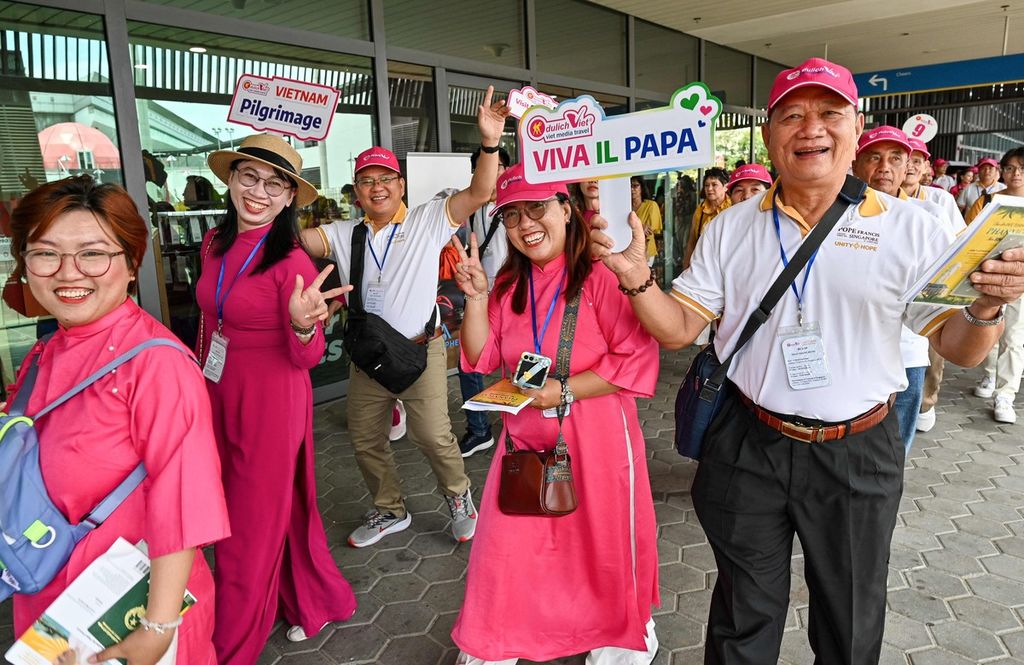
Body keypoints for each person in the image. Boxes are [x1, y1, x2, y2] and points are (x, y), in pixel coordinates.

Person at [591, 56, 1024, 665]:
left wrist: (984, 306)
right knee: (743, 615)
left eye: (829, 114)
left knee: (849, 622)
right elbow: (680, 328)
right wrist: (639, 281)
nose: (810, 128)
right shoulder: (732, 227)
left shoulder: (911, 229)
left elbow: (956, 346)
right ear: (769, 136)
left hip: (857, 452)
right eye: (791, 115)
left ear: (855, 128)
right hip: (748, 442)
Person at [7, 176, 230, 664]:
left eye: (92, 253)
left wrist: (156, 630)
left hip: (129, 609)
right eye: (45, 253)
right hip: (51, 593)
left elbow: (183, 502)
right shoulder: (47, 349)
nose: (69, 273)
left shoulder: (155, 364)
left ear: (131, 265)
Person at [449, 164, 660, 664]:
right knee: (506, 550)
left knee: (600, 544)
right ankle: (494, 639)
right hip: (523, 440)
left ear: (566, 210)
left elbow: (635, 360)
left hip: (599, 440)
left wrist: (561, 391)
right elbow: (480, 358)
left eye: (537, 209)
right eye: (513, 216)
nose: (526, 225)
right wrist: (476, 299)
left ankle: (615, 638)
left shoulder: (604, 274)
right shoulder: (507, 285)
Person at [302, 87, 509, 548]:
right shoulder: (342, 232)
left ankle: (458, 496)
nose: (377, 188)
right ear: (356, 192)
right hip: (369, 355)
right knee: (364, 439)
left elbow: (480, 190)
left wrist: (490, 142)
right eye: (366, 181)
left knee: (433, 436)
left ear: (399, 185)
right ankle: (389, 508)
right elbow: (300, 244)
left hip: (420, 350)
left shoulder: (427, 220)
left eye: (385, 179)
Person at [198, 133, 356, 662]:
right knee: (269, 512)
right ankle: (313, 598)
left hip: (270, 402)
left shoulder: (292, 262)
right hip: (218, 391)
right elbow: (209, 318)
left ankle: (228, 646)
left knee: (243, 528)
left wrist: (304, 326)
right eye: (249, 177)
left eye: (275, 184)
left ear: (291, 197)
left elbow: (307, 359)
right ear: (231, 179)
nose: (259, 192)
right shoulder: (213, 244)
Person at [850, 125, 960, 452]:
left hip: (908, 353)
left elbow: (949, 278)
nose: (884, 166)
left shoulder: (930, 216)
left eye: (895, 158)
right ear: (855, 164)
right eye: (873, 157)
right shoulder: (836, 214)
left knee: (894, 450)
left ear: (910, 165)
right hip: (853, 352)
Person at [457, 145, 512, 457]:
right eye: (485, 167)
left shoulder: (520, 203)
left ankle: (519, 421)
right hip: (482, 296)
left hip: (515, 294)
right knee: (471, 361)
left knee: (519, 359)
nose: (493, 172)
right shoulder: (474, 207)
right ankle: (479, 430)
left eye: (498, 165)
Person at [971, 147, 1024, 424]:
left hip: (1020, 281)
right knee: (989, 330)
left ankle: (1006, 394)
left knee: (1014, 338)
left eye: (1022, 169)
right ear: (1002, 171)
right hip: (988, 274)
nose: (1016, 174)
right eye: (1011, 168)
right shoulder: (989, 200)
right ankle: (989, 374)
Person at [902, 138, 963, 226]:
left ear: (926, 166)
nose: (910, 167)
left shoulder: (942, 199)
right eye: (905, 161)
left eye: (916, 161)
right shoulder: (882, 197)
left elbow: (958, 236)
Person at [682, 167, 730, 268]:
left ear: (725, 187)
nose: (709, 189)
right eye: (706, 185)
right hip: (704, 263)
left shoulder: (733, 207)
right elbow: (692, 241)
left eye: (714, 184)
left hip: (727, 262)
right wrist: (686, 264)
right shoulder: (700, 210)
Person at [631, 175, 663, 267]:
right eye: (629, 186)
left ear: (642, 188)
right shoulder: (625, 207)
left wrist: (633, 228)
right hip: (627, 250)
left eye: (635, 186)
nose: (632, 189)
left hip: (646, 251)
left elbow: (649, 231)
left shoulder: (651, 205)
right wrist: (641, 226)